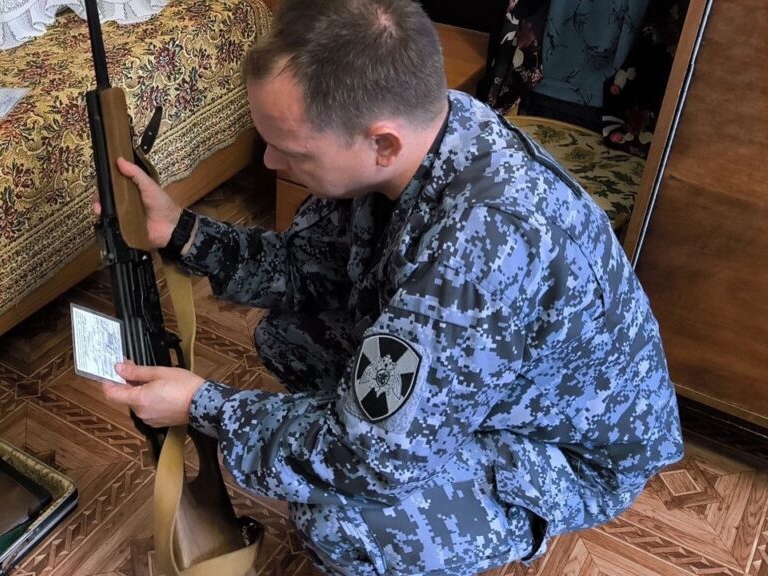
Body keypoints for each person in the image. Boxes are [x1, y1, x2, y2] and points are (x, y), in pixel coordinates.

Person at [100, 0, 684, 573]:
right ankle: (415, 432)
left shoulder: (478, 249)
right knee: (288, 336)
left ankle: (496, 515)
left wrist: (204, 406)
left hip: (562, 454)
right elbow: (308, 267)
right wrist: (182, 232)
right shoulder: (423, 131)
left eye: (292, 149)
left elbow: (367, 461)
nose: (271, 161)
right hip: (490, 380)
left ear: (382, 143)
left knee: (340, 518)